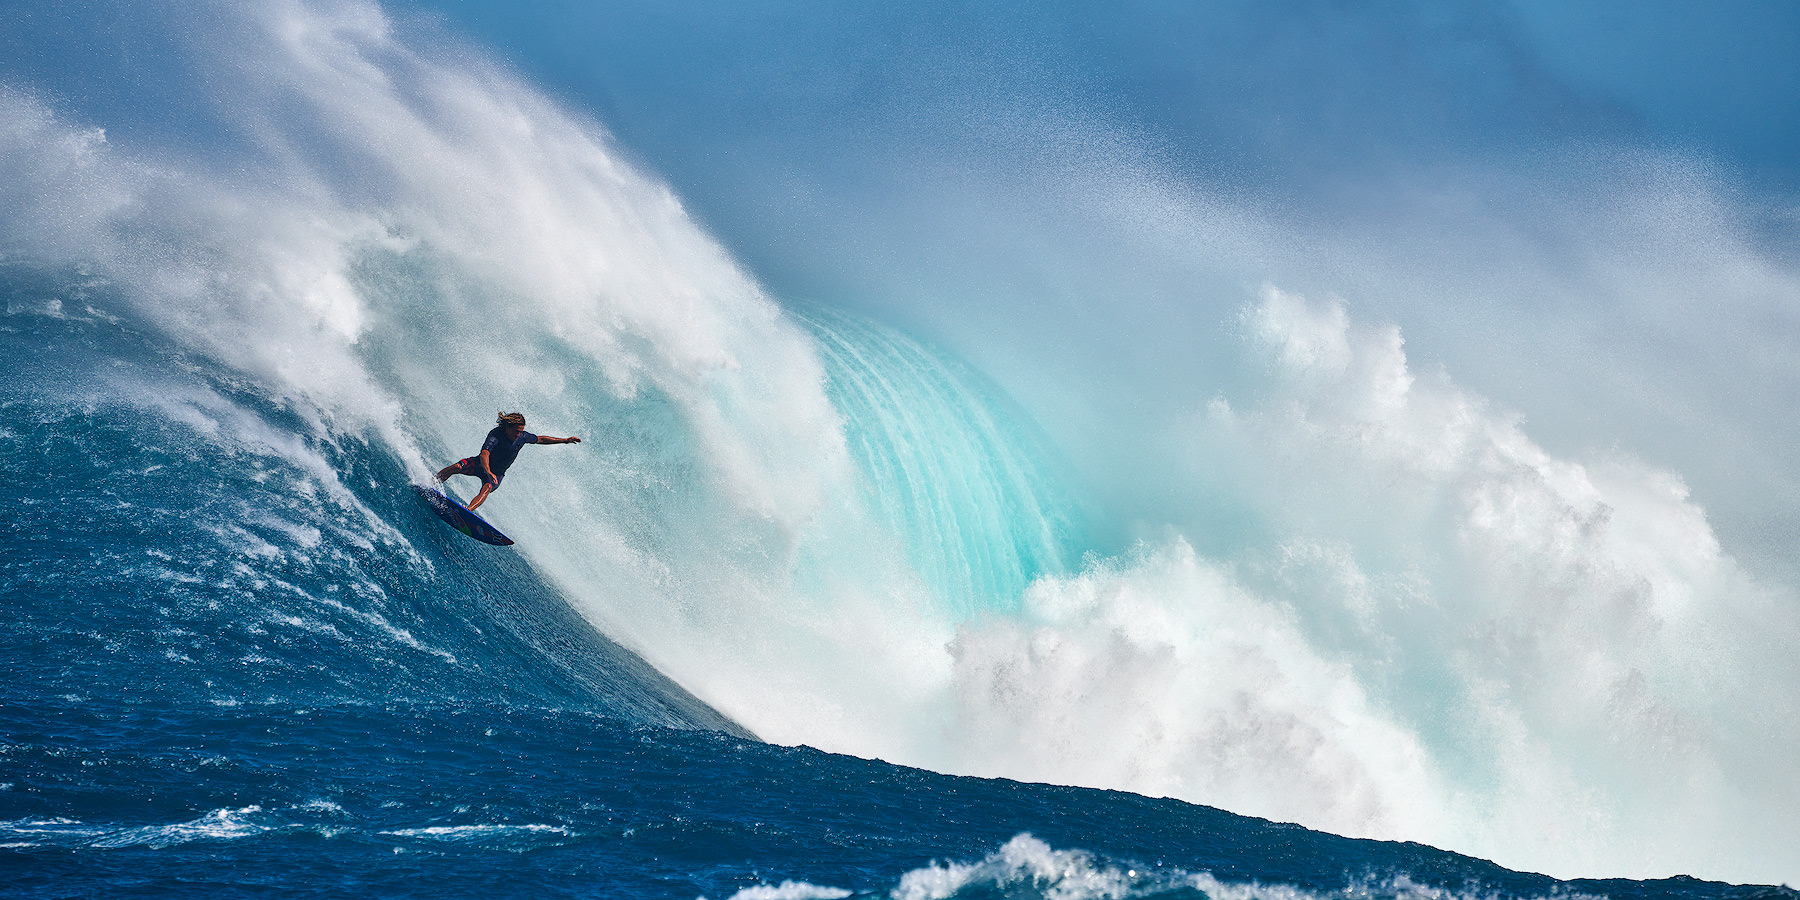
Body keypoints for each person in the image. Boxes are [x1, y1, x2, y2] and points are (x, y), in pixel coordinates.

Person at [435, 412, 581, 511]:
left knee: (486, 489)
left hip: (497, 474)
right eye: (516, 431)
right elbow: (484, 453)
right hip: (481, 465)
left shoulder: (522, 437)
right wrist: (487, 470)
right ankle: (433, 482)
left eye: (521, 431)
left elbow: (541, 439)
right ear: (507, 427)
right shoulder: (496, 434)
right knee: (456, 467)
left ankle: (467, 510)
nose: (518, 434)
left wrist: (565, 440)